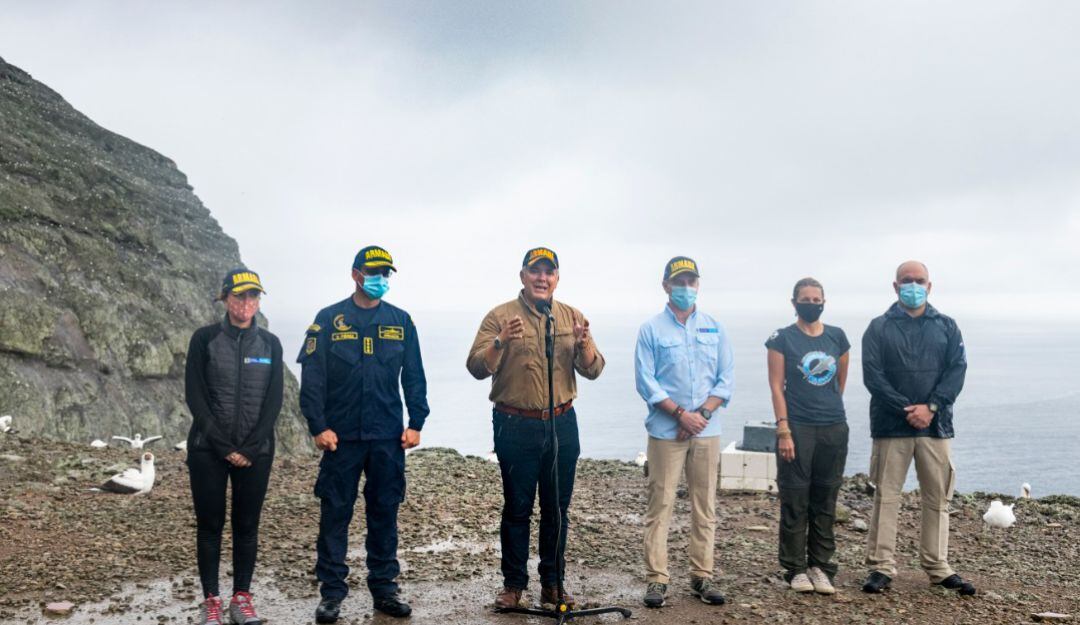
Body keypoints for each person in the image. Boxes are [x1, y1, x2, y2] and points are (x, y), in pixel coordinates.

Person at [466, 247, 604, 610]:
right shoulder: (500, 316)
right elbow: (477, 367)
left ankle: (553, 585)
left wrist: (584, 343)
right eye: (535, 271)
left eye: (549, 272)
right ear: (523, 276)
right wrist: (501, 342)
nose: (542, 278)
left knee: (557, 509)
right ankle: (513, 587)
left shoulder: (572, 316)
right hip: (515, 423)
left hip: (562, 423)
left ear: (557, 277)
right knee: (517, 508)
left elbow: (594, 369)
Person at [298, 246, 430, 622]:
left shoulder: (401, 321)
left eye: (386, 273)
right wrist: (317, 426)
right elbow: (313, 380)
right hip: (341, 439)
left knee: (385, 512)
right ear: (356, 274)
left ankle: (385, 589)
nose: (381, 279)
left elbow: (415, 376)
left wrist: (416, 422)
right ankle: (332, 594)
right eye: (374, 272)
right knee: (335, 515)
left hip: (388, 437)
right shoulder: (328, 320)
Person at [861, 261, 974, 595]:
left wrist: (932, 407)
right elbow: (873, 375)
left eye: (919, 281)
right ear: (895, 287)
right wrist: (906, 409)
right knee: (886, 497)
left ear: (930, 285)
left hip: (935, 427)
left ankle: (938, 566)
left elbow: (957, 370)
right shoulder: (878, 327)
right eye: (906, 281)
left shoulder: (947, 326)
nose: (913, 286)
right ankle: (881, 567)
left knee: (937, 498)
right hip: (890, 427)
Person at [184, 268, 284, 625]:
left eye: (253, 296)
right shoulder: (204, 339)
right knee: (210, 525)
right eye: (240, 296)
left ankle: (242, 598)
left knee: (246, 526)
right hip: (208, 449)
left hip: (256, 452)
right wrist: (224, 446)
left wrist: (252, 446)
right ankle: (211, 600)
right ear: (225, 299)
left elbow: (274, 401)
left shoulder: (270, 344)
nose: (246, 303)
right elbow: (194, 396)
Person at [634, 256, 733, 608]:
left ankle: (701, 576)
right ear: (666, 286)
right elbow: (646, 382)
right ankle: (656, 579)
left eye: (691, 282)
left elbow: (725, 380)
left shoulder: (714, 328)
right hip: (665, 432)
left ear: (698, 285)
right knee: (660, 503)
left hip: (706, 430)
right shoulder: (651, 330)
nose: (686, 288)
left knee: (704, 505)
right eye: (680, 282)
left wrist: (701, 414)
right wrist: (680, 415)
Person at [765, 277, 850, 595]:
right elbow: (776, 385)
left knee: (825, 499)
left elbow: (838, 383)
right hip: (796, 428)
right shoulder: (781, 338)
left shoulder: (837, 337)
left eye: (817, 299)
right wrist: (783, 428)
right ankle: (794, 568)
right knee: (795, 498)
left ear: (824, 302)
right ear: (794, 302)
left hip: (833, 427)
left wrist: (827, 412)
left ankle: (821, 566)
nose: (811, 304)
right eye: (806, 299)